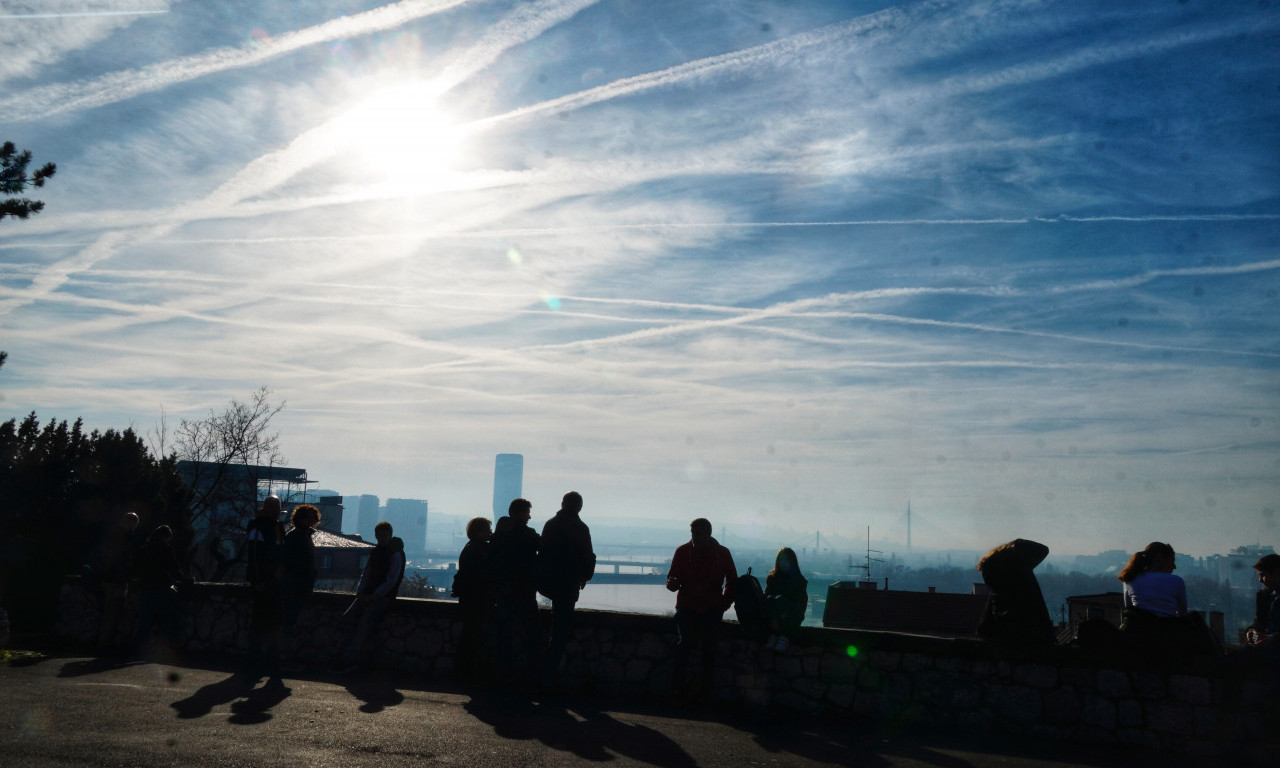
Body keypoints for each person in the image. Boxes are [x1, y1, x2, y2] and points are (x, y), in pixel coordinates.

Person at [665, 518, 736, 701]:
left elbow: (732, 582)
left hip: (711, 607)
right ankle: (679, 689)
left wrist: (724, 603)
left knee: (707, 646)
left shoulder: (722, 553)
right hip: (689, 606)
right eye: (693, 534)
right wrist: (672, 584)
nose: (694, 538)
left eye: (698, 534)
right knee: (686, 642)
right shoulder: (682, 552)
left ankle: (702, 690)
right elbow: (672, 578)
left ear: (708, 534)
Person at [537, 491, 596, 687]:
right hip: (568, 583)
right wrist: (585, 575)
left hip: (550, 582)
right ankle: (549, 676)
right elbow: (587, 555)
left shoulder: (551, 524)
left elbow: (543, 552)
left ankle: (543, 675)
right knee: (561, 631)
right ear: (579, 507)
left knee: (553, 628)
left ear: (562, 503)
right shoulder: (580, 527)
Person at [1117, 541, 1215, 658]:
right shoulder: (1176, 581)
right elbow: (1182, 614)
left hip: (1137, 633)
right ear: (1159, 558)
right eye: (1172, 560)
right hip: (1169, 636)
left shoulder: (1130, 579)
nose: (1174, 566)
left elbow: (1129, 610)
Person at [338, 521, 405, 671]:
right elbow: (366, 573)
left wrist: (373, 595)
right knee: (350, 620)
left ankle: (348, 659)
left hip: (381, 597)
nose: (382, 538)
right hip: (369, 594)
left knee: (363, 625)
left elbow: (391, 579)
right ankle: (347, 656)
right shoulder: (377, 551)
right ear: (376, 536)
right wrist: (361, 592)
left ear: (390, 535)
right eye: (379, 535)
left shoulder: (394, 553)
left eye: (384, 535)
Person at [488, 498, 542, 685]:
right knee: (531, 634)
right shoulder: (529, 536)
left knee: (504, 634)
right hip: (525, 591)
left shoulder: (498, 536)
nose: (529, 516)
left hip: (503, 592)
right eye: (527, 512)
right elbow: (544, 550)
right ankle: (531, 674)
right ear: (519, 514)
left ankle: (503, 672)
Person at [976, 538, 1056, 647]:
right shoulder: (1020, 571)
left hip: (1006, 641)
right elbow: (1043, 550)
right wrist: (1016, 543)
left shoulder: (992, 575)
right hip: (1034, 638)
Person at [132, 525, 187, 656]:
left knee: (144, 621)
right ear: (166, 537)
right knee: (165, 618)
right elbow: (174, 567)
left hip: (144, 588)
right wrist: (181, 578)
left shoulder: (143, 550)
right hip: (160, 588)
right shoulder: (165, 550)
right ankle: (162, 650)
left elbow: (135, 568)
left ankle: (137, 648)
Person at [246, 496, 285, 676]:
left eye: (277, 507)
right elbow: (254, 554)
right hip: (263, 582)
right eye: (271, 506)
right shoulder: (257, 526)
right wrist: (258, 581)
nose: (275, 510)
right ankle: (256, 659)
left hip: (274, 582)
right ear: (264, 508)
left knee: (271, 622)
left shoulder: (278, 527)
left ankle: (267, 659)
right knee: (260, 622)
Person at [452, 516, 492, 681]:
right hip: (476, 599)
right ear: (479, 531)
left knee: (469, 634)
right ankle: (466, 671)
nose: (491, 532)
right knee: (472, 635)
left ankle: (464, 670)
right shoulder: (479, 550)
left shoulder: (470, 548)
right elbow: (479, 575)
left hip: (469, 598)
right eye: (488, 530)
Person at [93, 511, 139, 654]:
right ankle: (104, 645)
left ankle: (104, 643)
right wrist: (122, 579)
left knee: (110, 613)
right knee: (112, 613)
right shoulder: (121, 537)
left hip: (111, 579)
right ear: (131, 523)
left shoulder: (115, 535)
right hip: (114, 580)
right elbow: (120, 562)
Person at [278, 504, 320, 659]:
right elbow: (288, 561)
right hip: (295, 587)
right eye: (308, 517)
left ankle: (284, 657)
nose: (311, 520)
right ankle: (285, 657)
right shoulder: (297, 537)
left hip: (297, 586)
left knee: (289, 622)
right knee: (289, 622)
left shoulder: (299, 536)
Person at [763, 547, 807, 652]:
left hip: (791, 617)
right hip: (774, 617)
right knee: (770, 599)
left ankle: (783, 637)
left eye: (786, 560)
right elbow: (766, 598)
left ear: (792, 562)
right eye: (781, 559)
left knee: (780, 600)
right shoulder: (772, 579)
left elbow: (800, 606)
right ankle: (774, 635)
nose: (783, 563)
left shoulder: (799, 581)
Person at [1246, 553, 1280, 647]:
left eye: (1263, 575)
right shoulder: (1265, 597)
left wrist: (1271, 639)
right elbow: (1259, 622)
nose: (1260, 580)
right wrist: (1251, 631)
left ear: (1277, 573)